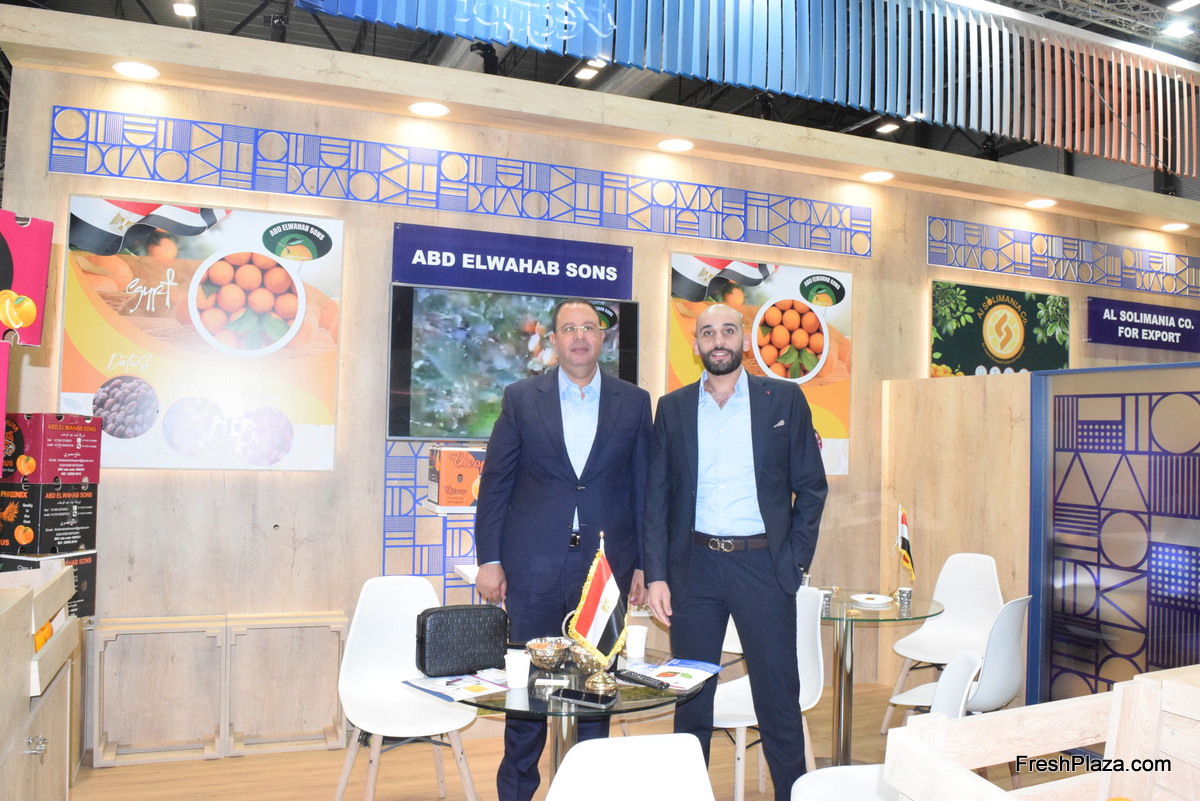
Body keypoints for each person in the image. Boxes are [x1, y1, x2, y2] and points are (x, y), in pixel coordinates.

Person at [643, 303, 827, 801]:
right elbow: (657, 498)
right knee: (691, 699)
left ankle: (793, 794)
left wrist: (794, 561)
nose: (718, 340)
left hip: (763, 566)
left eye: (727, 331)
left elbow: (812, 487)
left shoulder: (784, 398)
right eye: (708, 333)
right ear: (696, 344)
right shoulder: (674, 407)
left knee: (778, 698)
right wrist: (656, 574)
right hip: (694, 568)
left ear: (744, 339)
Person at [474, 297, 652, 801]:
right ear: (553, 340)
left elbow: (644, 489)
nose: (579, 336)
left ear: (602, 338)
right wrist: (490, 560)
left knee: (595, 692)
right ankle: (516, 792)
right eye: (568, 329)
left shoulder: (634, 402)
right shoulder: (520, 398)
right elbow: (496, 484)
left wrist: (645, 564)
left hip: (605, 572)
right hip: (532, 567)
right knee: (527, 696)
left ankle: (585, 791)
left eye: (588, 328)